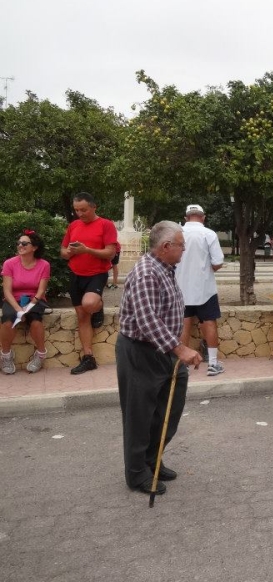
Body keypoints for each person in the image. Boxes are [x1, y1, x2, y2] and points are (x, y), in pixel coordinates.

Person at [116, 221, 203, 495]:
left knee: (168, 412)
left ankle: (151, 460)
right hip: (140, 351)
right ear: (166, 246)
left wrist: (176, 347)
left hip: (164, 350)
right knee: (140, 416)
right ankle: (136, 473)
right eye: (181, 245)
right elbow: (147, 320)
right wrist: (181, 349)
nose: (183, 249)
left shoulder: (165, 268)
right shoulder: (146, 272)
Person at [60, 191, 118, 375]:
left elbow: (110, 253)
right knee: (82, 316)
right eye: (76, 210)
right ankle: (88, 357)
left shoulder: (106, 224)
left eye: (83, 210)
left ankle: (98, 306)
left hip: (96, 274)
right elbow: (63, 251)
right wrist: (69, 252)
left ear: (94, 207)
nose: (80, 213)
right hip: (76, 274)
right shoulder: (73, 225)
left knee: (89, 304)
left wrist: (87, 250)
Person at [174, 204, 226, 376]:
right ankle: (213, 363)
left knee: (183, 322)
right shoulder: (209, 234)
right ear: (203, 217)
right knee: (209, 322)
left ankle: (182, 364)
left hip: (180, 287)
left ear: (186, 217)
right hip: (205, 288)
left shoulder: (177, 233)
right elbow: (218, 262)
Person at [1, 230, 50, 374]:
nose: (20, 246)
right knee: (8, 320)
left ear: (34, 247)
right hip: (13, 299)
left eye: (24, 243)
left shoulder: (44, 265)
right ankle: (6, 356)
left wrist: (28, 307)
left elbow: (41, 291)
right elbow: (7, 291)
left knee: (35, 321)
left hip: (35, 299)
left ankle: (41, 354)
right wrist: (19, 310)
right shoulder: (9, 263)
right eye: (19, 243)